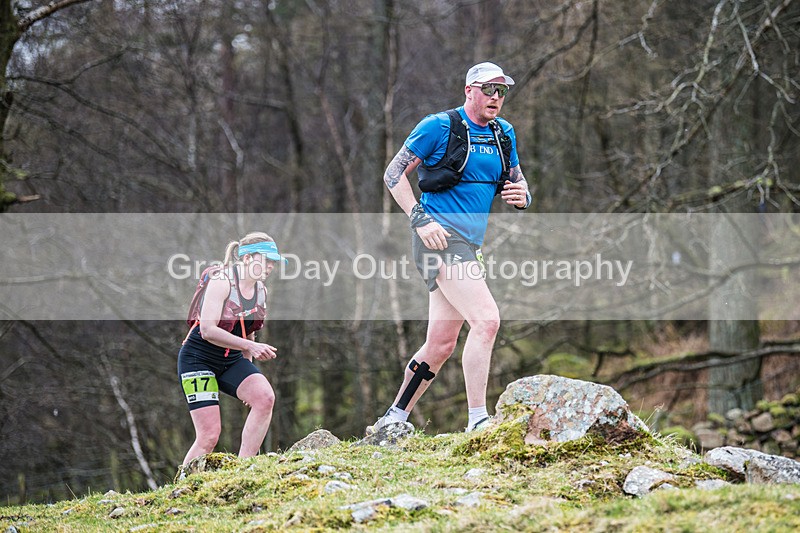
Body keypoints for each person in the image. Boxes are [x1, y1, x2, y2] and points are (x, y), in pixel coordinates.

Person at [370, 62, 531, 434]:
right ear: (469, 90)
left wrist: (523, 197)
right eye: (488, 89)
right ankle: (478, 420)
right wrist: (419, 218)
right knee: (487, 320)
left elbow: (518, 183)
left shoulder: (504, 134)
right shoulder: (438, 126)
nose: (495, 97)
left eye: (502, 91)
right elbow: (392, 174)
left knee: (441, 344)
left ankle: (393, 418)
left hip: (469, 245)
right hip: (438, 239)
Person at [177, 232, 286, 467]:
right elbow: (207, 330)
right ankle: (181, 486)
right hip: (198, 360)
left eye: (273, 263)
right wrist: (250, 346)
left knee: (264, 397)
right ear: (247, 259)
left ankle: (244, 468)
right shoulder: (222, 282)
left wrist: (248, 374)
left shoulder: (261, 292)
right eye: (265, 260)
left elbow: (250, 332)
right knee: (209, 437)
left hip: (232, 360)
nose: (269, 267)